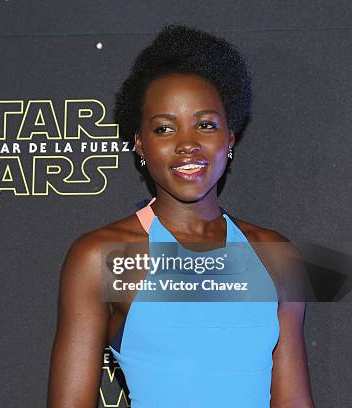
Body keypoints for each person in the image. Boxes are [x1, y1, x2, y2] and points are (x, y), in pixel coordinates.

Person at [47, 24, 314, 407]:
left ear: (230, 137)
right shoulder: (101, 258)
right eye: (164, 128)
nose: (187, 144)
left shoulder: (276, 256)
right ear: (139, 142)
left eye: (205, 125)